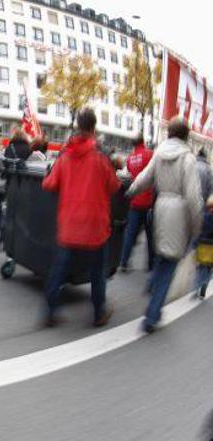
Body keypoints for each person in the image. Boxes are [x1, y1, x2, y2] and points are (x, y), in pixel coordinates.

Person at [42, 108, 121, 327]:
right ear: (94, 128)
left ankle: (49, 311)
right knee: (97, 271)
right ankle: (98, 313)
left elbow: (49, 184)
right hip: (95, 226)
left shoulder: (66, 155)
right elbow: (114, 186)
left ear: (78, 125)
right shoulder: (101, 157)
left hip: (69, 224)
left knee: (59, 269)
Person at [126, 117, 202, 333]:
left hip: (160, 207)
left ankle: (152, 285)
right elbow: (194, 196)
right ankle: (151, 316)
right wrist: (196, 227)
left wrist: (130, 191)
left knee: (161, 255)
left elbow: (144, 179)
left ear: (169, 133)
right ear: (186, 135)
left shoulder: (159, 152)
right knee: (169, 264)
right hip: (178, 211)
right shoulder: (188, 159)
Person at [119, 136, 155, 272]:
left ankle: (124, 262)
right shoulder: (150, 154)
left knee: (130, 234)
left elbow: (129, 177)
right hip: (148, 202)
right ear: (143, 142)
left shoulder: (130, 158)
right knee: (150, 236)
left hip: (134, 201)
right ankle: (151, 264)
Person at [195, 149, 213, 297]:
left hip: (203, 244)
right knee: (208, 268)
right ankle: (203, 287)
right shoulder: (208, 170)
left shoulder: (192, 165)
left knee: (201, 265)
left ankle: (197, 287)